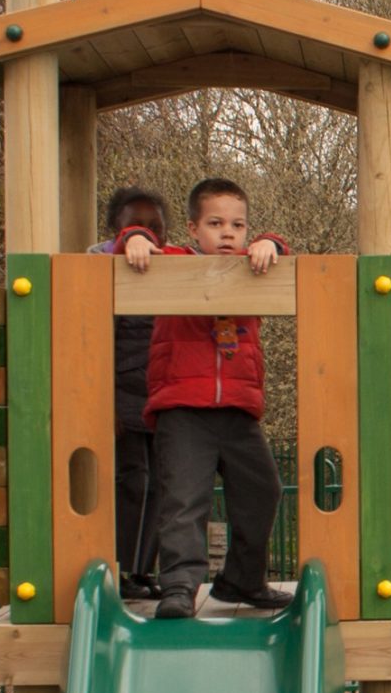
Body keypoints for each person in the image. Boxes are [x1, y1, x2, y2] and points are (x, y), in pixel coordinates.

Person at [119, 177, 292, 619]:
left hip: (237, 411)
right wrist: (136, 238)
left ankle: (242, 579)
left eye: (238, 225)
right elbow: (130, 248)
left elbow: (286, 255)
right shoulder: (175, 263)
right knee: (183, 500)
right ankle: (179, 586)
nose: (228, 233)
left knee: (263, 490)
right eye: (215, 223)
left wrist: (272, 243)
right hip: (183, 409)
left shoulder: (255, 269)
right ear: (194, 230)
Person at [93, 185, 169, 599]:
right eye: (136, 227)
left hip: (161, 390)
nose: (147, 235)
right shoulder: (100, 261)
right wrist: (103, 402)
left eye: (156, 227)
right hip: (119, 389)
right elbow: (92, 334)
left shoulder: (171, 263)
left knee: (162, 483)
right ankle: (120, 568)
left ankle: (143, 570)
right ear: (115, 229)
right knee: (130, 480)